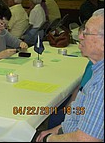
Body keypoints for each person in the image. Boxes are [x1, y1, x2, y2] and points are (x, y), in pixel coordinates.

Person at [36, 8, 104, 142]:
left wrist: (50, 139)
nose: (80, 36)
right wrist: (57, 130)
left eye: (86, 33)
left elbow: (86, 139)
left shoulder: (101, 82)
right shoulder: (98, 70)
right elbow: (81, 120)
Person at [47, 22, 92, 129]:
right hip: (79, 103)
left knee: (55, 116)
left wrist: (69, 109)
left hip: (85, 110)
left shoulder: (97, 69)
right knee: (57, 107)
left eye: (82, 41)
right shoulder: (92, 62)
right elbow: (80, 87)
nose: (79, 46)